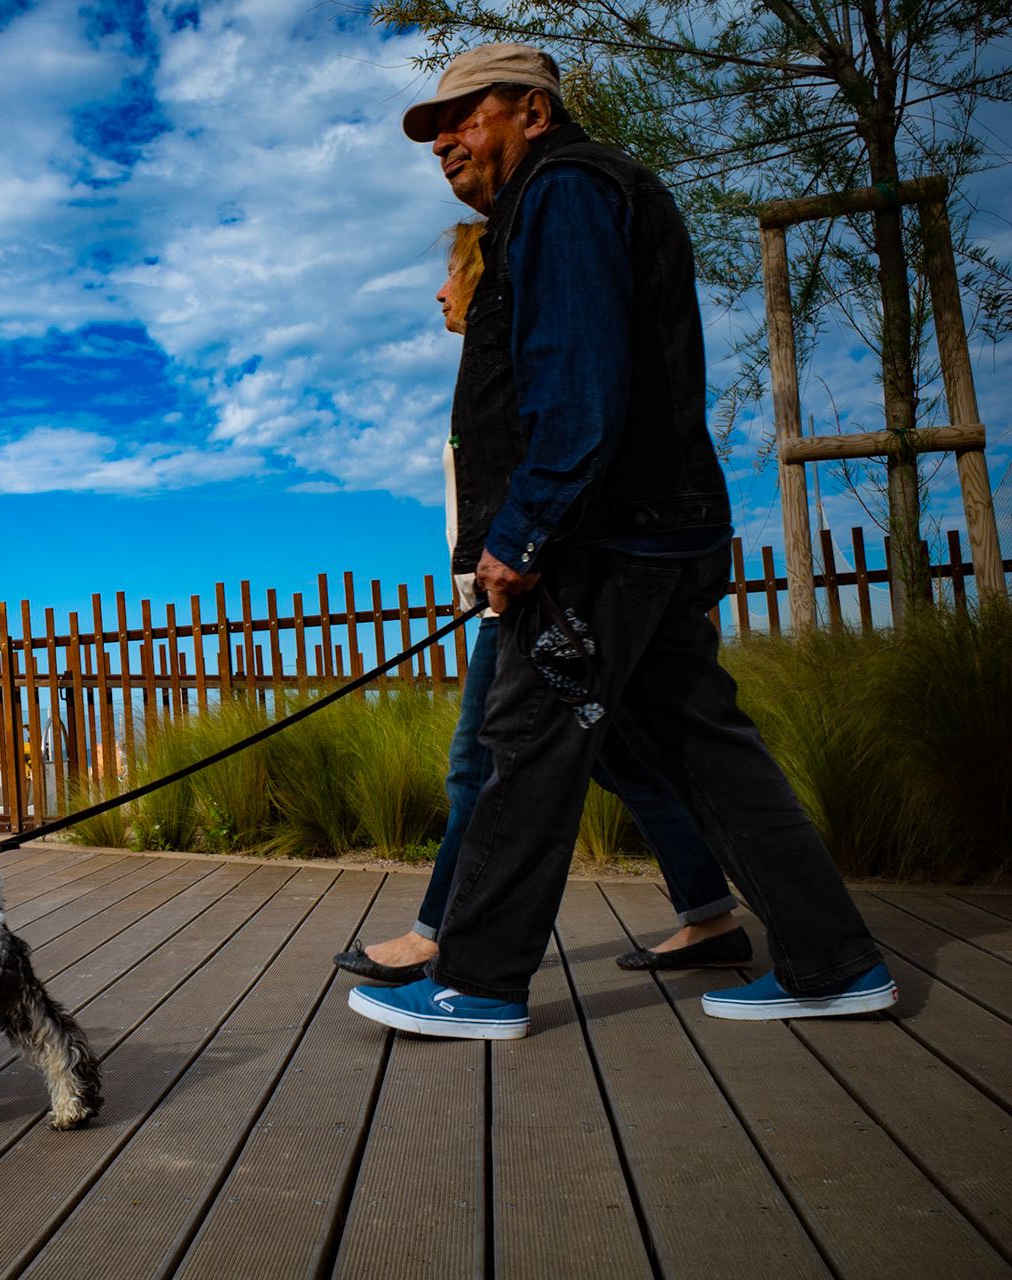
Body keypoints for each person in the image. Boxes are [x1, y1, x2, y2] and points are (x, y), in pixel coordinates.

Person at [347, 43, 894, 1041]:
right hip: (656, 532)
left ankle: (477, 979)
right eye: (436, 131)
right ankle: (834, 958)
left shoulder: (563, 195)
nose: (447, 143)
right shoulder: (579, 197)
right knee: (701, 747)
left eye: (467, 118)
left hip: (600, 547)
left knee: (527, 743)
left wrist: (521, 537)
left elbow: (579, 384)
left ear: (533, 112)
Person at [334, 223, 746, 985]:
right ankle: (711, 914)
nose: (439, 290)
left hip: (532, 591)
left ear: (485, 277)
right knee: (630, 760)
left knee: (480, 762)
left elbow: (539, 462)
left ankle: (438, 933)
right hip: (537, 582)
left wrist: (511, 565)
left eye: (451, 272)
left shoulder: (514, 357)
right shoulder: (494, 364)